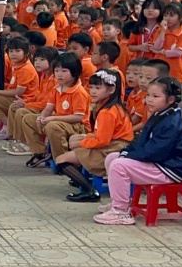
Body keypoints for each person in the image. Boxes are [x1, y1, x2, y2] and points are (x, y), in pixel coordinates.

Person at [99, 76, 182, 225]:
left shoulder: (171, 122)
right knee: (112, 157)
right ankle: (119, 202)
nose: (149, 99)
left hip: (171, 169)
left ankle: (121, 212)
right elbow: (142, 141)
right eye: (148, 95)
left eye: (155, 96)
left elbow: (155, 152)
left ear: (170, 100)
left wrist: (128, 155)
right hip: (160, 163)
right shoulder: (159, 114)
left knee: (119, 165)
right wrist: (126, 151)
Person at [55, 69, 133, 201]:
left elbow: (102, 141)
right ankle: (81, 177)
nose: (93, 91)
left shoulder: (107, 112)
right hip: (116, 144)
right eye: (91, 87)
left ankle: (89, 190)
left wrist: (82, 143)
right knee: (74, 139)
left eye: (98, 88)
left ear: (111, 90)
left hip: (111, 149)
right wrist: (85, 138)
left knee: (60, 160)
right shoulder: (112, 107)